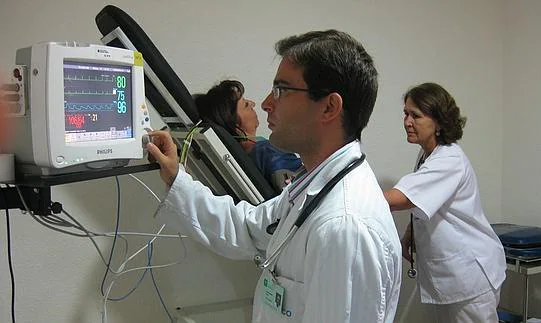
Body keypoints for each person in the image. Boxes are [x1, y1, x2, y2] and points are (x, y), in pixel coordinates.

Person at [147, 30, 402, 322]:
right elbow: (245, 227)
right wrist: (176, 178)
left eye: (281, 90)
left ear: (329, 107)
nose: (267, 103)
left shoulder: (345, 228)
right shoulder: (310, 187)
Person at [383, 82, 506, 322]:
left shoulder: (449, 160)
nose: (407, 121)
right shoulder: (427, 155)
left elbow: (400, 199)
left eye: (415, 115)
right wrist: (411, 233)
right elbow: (430, 203)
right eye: (406, 114)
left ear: (438, 122)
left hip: (471, 273)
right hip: (455, 275)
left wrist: (351, 195)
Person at [195, 80, 302, 191]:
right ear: (235, 125)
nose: (252, 103)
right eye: (246, 104)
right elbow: (301, 188)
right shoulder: (268, 151)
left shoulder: (233, 161)